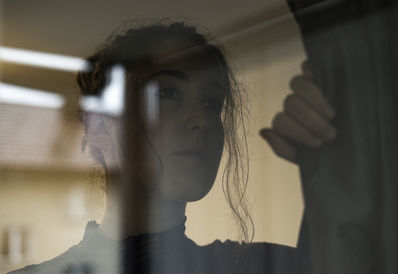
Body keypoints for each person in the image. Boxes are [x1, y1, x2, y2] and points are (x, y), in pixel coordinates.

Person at [10, 21, 336, 274]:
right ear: (100, 127)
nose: (202, 120)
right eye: (166, 94)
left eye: (212, 102)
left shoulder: (255, 267)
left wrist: (333, 172)